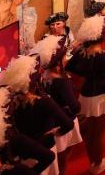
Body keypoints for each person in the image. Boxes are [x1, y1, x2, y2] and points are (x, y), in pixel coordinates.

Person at [65, 15, 105, 173]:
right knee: (100, 133)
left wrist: (84, 75)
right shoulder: (103, 56)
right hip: (102, 97)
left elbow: (69, 67)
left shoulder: (81, 53)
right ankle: (98, 163)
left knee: (90, 132)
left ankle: (93, 162)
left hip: (87, 95)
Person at [33, 35, 82, 175]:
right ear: (58, 62)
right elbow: (75, 107)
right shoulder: (61, 81)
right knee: (63, 158)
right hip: (64, 121)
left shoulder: (41, 78)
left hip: (50, 123)